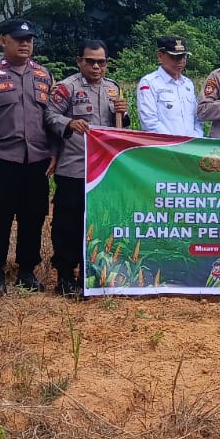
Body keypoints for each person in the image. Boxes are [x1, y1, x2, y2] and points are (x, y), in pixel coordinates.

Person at [0, 19, 58, 294]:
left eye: (29, 39)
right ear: (3, 41)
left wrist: (55, 151)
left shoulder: (44, 75)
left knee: (33, 217)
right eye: (19, 39)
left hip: (36, 159)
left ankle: (26, 270)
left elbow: (51, 116)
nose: (25, 44)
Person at [48, 40, 129, 296]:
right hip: (74, 167)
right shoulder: (66, 88)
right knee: (68, 224)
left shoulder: (113, 89)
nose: (96, 67)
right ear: (80, 61)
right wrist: (69, 122)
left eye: (101, 62)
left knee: (97, 224)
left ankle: (90, 274)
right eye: (91, 61)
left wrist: (124, 114)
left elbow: (118, 130)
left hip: (103, 171)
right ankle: (64, 275)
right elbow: (49, 116)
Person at [135, 36, 200, 137]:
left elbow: (197, 118)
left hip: (191, 147)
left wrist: (196, 138)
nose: (180, 61)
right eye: (174, 57)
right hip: (165, 147)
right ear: (160, 56)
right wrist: (174, 143)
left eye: (183, 56)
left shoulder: (188, 84)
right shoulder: (149, 83)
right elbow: (149, 122)